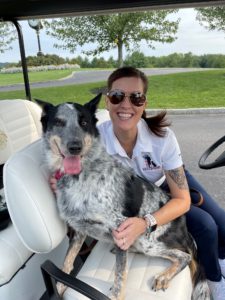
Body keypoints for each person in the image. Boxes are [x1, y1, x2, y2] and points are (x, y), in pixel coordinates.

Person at [50, 66, 225, 300]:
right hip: (136, 197)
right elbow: (71, 165)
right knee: (205, 226)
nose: (126, 104)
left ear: (144, 103)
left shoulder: (162, 138)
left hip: (167, 183)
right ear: (107, 101)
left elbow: (181, 200)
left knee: (221, 223)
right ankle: (214, 281)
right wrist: (59, 177)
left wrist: (146, 223)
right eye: (117, 96)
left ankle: (217, 270)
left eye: (136, 97)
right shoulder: (94, 138)